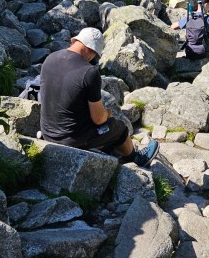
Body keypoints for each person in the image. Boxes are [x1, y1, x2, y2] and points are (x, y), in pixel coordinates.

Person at [39, 28, 159, 167]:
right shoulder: (89, 72)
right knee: (118, 127)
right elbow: (98, 119)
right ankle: (135, 159)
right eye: (95, 55)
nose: (94, 59)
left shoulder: (50, 58)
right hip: (72, 140)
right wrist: (108, 113)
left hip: (48, 132)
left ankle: (110, 149)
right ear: (91, 50)